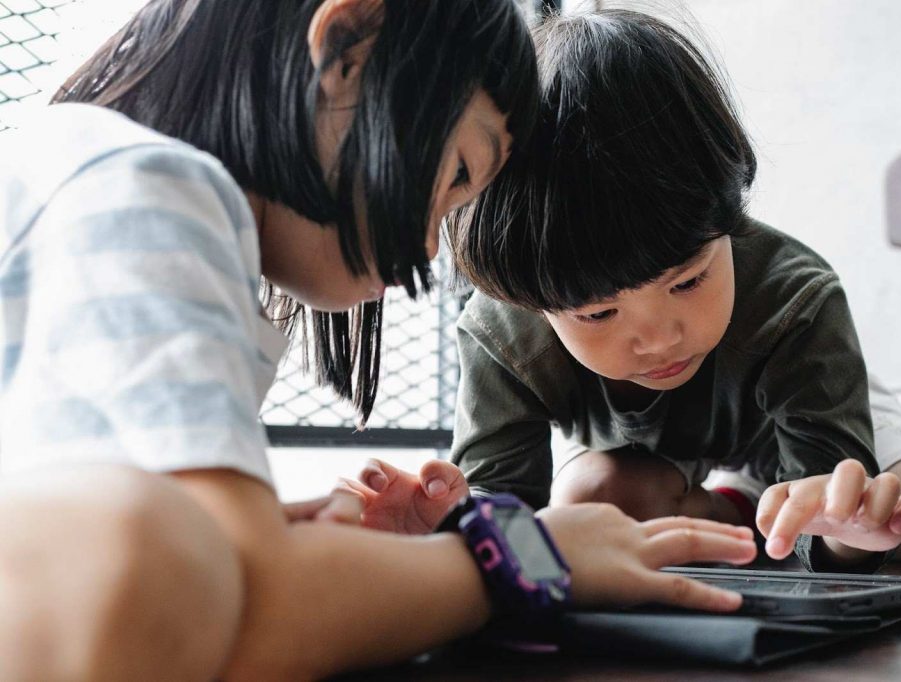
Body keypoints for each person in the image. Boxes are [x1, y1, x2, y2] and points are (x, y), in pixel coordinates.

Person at [0, 2, 760, 680]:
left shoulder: (109, 184)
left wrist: (342, 558)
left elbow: (221, 583)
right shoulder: (144, 186)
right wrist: (534, 559)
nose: (431, 245)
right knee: (151, 541)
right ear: (349, 48)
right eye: (455, 173)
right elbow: (244, 610)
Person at [340, 9, 901, 573]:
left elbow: (831, 492)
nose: (660, 336)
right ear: (532, 302)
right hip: (651, 462)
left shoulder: (795, 301)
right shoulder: (504, 334)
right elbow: (505, 515)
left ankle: (750, 513)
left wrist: (846, 531)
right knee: (592, 497)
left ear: (730, 221)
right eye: (598, 312)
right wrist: (455, 527)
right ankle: (729, 515)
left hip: (801, 422)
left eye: (689, 280)